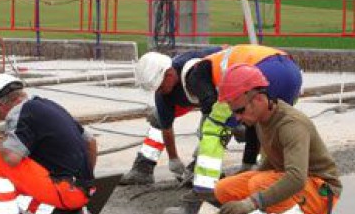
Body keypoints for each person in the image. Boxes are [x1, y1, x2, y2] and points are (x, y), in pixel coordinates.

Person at [122, 44, 303, 195]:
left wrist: (229, 126)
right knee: (266, 122)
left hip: (261, 71)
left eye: (161, 87)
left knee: (215, 128)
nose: (160, 91)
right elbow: (165, 126)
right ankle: (144, 166)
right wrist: (174, 159)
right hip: (288, 68)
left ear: (169, 74)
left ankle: (205, 191)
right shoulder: (164, 95)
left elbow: (215, 112)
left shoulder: (196, 70)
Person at [214, 64, 341, 214]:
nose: (237, 117)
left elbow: (296, 178)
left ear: (258, 98)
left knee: (259, 185)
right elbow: (270, 164)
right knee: (224, 189)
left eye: (239, 110)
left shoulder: (291, 124)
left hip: (322, 190)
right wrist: (240, 196)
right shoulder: (261, 120)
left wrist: (251, 202)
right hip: (301, 186)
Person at [0, 74, 98, 214]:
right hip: (83, 193)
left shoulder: (18, 113)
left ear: (0, 106)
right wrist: (85, 180)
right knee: (14, 190)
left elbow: (12, 159)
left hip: (64, 191)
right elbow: (90, 142)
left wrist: (0, 143)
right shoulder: (49, 105)